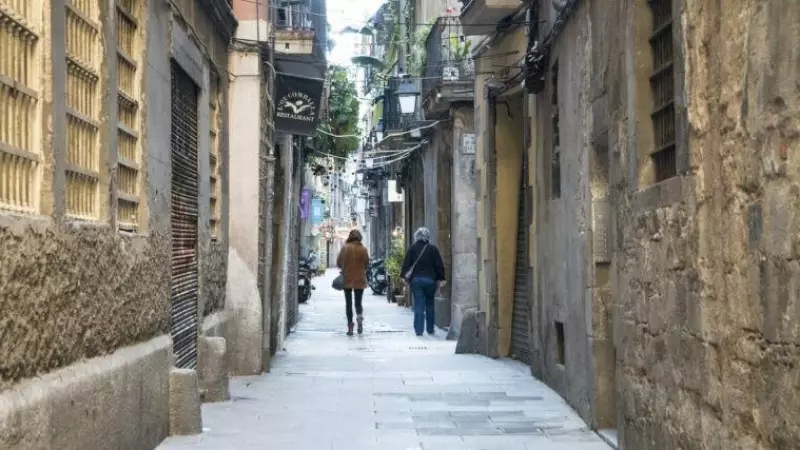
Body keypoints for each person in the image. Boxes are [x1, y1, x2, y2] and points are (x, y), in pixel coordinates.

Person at [401, 227, 446, 336]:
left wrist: (403, 277)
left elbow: (406, 264)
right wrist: (442, 278)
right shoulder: (433, 249)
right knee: (430, 304)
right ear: (428, 237)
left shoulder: (412, 248)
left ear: (416, 237)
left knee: (419, 305)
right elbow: (439, 265)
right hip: (430, 281)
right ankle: (430, 329)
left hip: (416, 281)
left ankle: (419, 330)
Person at [336, 229, 370, 335]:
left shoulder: (345, 248)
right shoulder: (363, 249)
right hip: (359, 279)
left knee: (348, 304)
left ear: (350, 237)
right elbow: (367, 264)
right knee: (358, 303)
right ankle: (359, 317)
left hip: (347, 279)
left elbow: (338, 262)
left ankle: (350, 327)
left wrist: (345, 267)